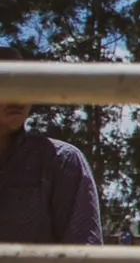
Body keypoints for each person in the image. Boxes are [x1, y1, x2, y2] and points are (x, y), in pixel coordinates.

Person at [0, 100, 102, 243]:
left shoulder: (61, 161)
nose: (18, 97)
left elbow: (84, 254)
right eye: (6, 84)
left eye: (27, 84)